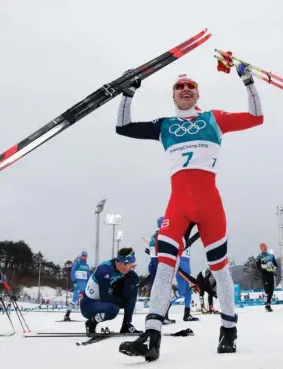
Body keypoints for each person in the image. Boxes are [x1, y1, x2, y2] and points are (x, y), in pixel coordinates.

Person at [117, 62, 263, 361]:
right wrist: (128, 92)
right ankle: (151, 336)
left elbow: (255, 118)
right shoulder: (164, 126)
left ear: (198, 94)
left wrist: (248, 81)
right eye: (179, 87)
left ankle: (228, 329)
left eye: (190, 86)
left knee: (219, 270)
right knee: (164, 267)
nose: (185, 89)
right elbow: (123, 127)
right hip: (178, 204)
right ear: (173, 95)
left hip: (210, 203)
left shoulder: (214, 119)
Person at [80, 248, 142, 335]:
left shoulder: (124, 269)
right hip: (89, 304)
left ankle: (126, 324)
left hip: (103, 299)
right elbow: (105, 297)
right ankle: (91, 323)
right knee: (113, 309)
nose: (131, 268)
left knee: (133, 285)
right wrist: (124, 302)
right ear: (121, 263)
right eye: (129, 266)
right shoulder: (104, 270)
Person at [64, 251, 90, 321]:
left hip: (84, 285)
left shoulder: (87, 266)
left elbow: (88, 276)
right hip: (78, 284)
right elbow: (72, 273)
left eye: (85, 256)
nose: (84, 257)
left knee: (88, 299)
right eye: (83, 255)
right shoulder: (76, 264)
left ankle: (90, 315)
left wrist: (89, 283)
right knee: (75, 299)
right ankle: (67, 314)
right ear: (81, 256)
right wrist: (74, 282)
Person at [255, 243, 278, 312]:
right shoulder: (259, 257)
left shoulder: (271, 256)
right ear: (261, 248)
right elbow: (258, 267)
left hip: (271, 274)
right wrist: (264, 269)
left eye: (265, 247)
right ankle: (267, 305)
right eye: (263, 248)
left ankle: (268, 303)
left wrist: (272, 269)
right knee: (267, 291)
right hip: (265, 275)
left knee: (271, 290)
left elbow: (275, 264)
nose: (265, 249)